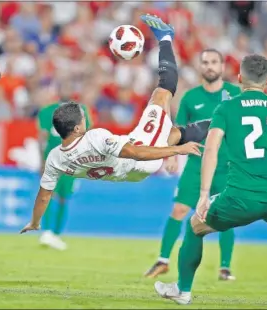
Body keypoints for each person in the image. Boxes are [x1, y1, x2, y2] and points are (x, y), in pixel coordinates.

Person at [153, 54, 267, 310]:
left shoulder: (227, 108)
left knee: (195, 226)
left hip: (240, 197)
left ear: (239, 78)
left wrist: (205, 194)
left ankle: (183, 290)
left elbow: (211, 149)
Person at [20, 15, 209, 234]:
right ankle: (166, 38)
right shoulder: (95, 138)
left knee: (174, 132)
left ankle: (220, 125)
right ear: (78, 128)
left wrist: (35, 221)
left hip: (127, 175)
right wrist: (177, 151)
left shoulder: (55, 157)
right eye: (82, 119)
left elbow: (44, 194)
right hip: (141, 158)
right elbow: (136, 152)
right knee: (162, 93)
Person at [145, 49, 241, 280]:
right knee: (179, 210)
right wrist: (170, 156)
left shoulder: (234, 94)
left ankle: (225, 268)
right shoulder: (190, 98)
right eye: (205, 62)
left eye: (214, 62)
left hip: (226, 166)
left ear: (222, 66)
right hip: (196, 165)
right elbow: (177, 131)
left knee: (226, 217)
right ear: (200, 67)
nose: (209, 66)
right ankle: (163, 260)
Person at [37, 81, 93, 250]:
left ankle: (54, 234)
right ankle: (48, 232)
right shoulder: (51, 111)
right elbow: (42, 137)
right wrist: (41, 161)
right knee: (51, 195)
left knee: (62, 197)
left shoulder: (80, 111)